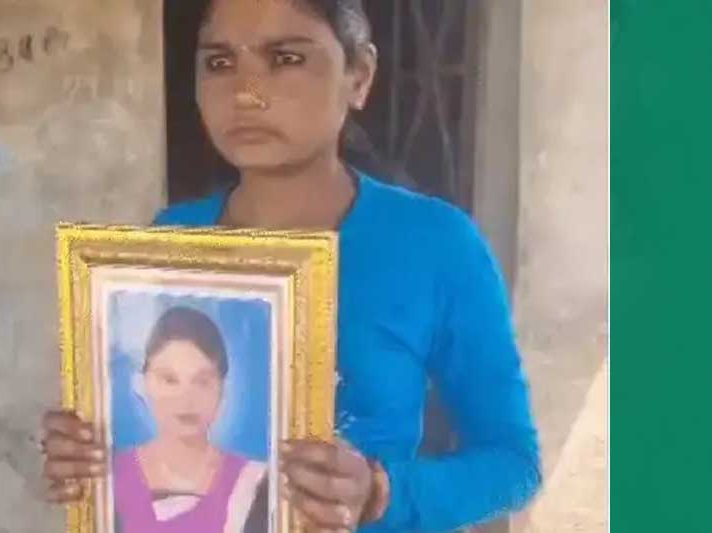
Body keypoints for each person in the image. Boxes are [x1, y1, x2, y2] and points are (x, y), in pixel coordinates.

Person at [42, 1, 542, 531]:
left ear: (359, 76)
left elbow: (514, 463)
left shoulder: (434, 244)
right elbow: (138, 444)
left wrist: (381, 491)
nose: (246, 93)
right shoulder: (173, 239)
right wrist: (88, 453)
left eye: (285, 58)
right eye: (219, 63)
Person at [111, 306, 268, 532]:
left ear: (222, 390)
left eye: (202, 381)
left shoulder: (255, 484)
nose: (186, 399)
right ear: (143, 384)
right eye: (169, 380)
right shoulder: (111, 475)